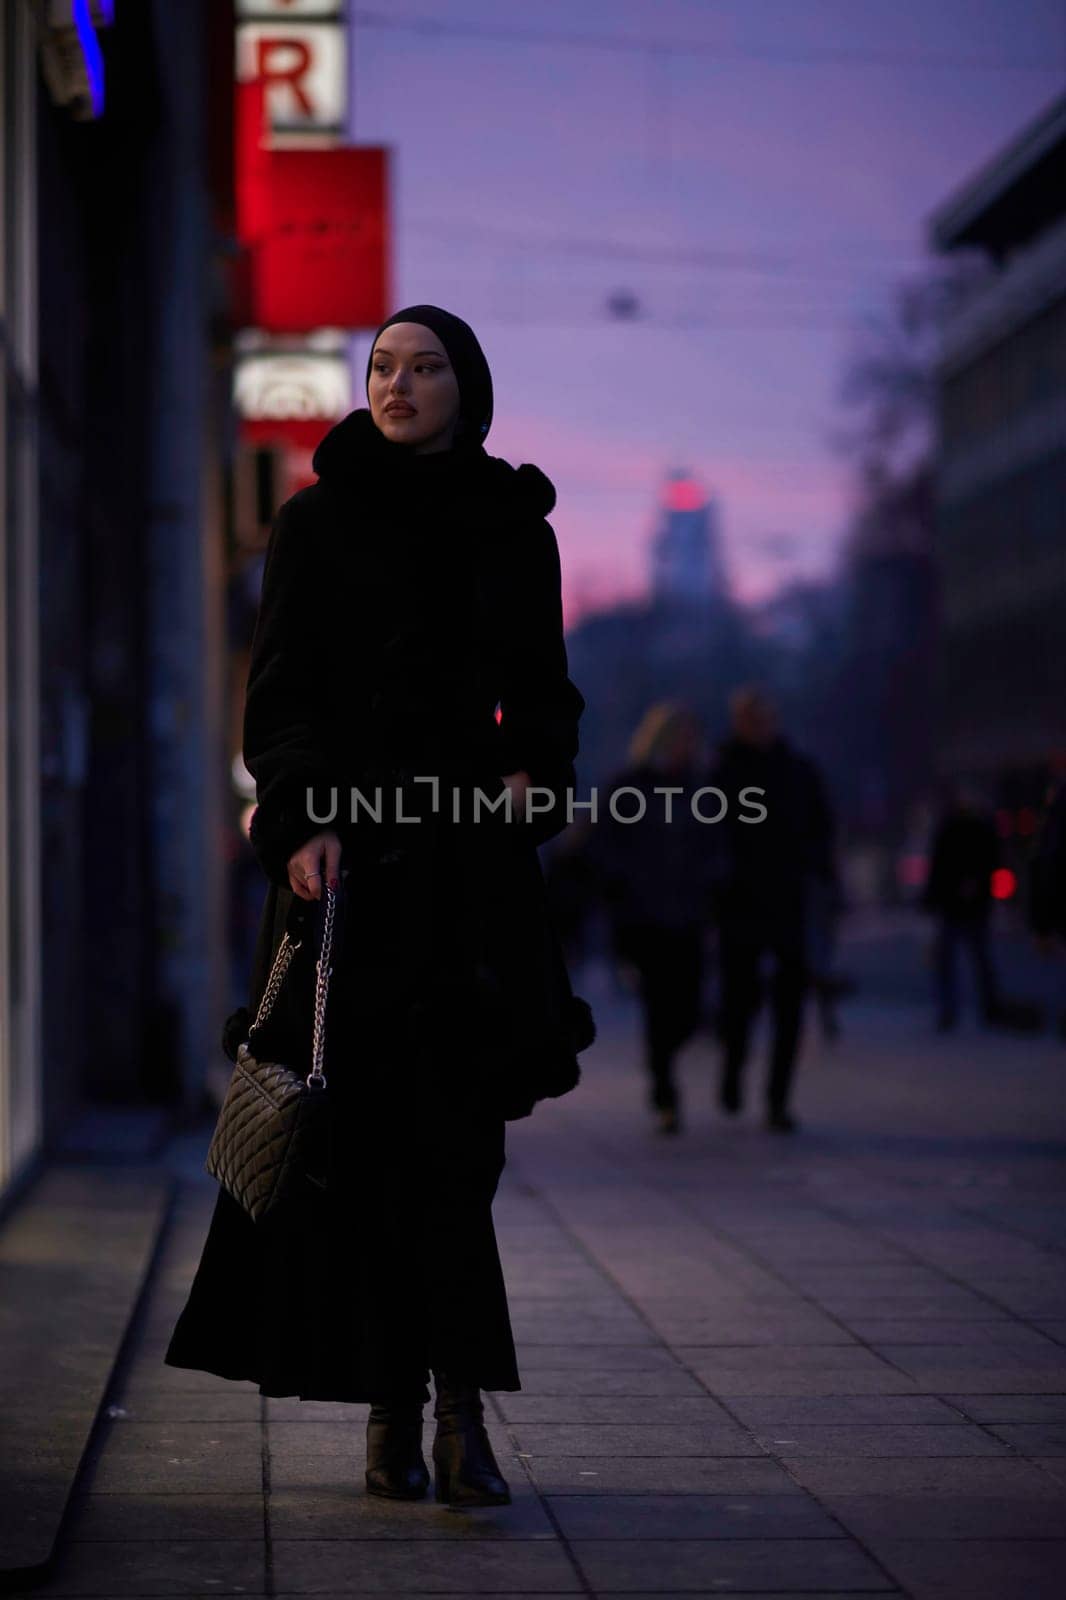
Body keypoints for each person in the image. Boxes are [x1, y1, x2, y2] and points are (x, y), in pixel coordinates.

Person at [165, 305, 589, 1508]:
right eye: (383, 368)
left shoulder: (515, 526)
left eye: (426, 367)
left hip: (471, 877)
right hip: (349, 883)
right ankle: (395, 1415)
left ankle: (457, 1417)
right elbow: (282, 689)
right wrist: (298, 820)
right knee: (364, 1156)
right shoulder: (317, 519)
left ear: (470, 386)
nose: (398, 385)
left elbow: (547, 692)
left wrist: (533, 771)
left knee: (457, 1153)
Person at [709, 686, 835, 1133]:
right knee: (739, 1000)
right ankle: (733, 1069)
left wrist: (819, 874)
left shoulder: (798, 771)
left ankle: (777, 1100)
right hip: (739, 902)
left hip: (787, 899)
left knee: (788, 1004)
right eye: (750, 719)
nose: (759, 727)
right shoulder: (721, 770)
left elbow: (821, 829)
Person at [589, 703, 715, 1134]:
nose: (686, 747)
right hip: (644, 916)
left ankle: (663, 1067)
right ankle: (664, 1089)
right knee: (661, 1004)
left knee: (687, 1006)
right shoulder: (629, 787)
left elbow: (715, 843)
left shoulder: (701, 788)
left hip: (688, 913)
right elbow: (603, 844)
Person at [921, 784, 1001, 1031]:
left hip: (960, 903)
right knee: (971, 957)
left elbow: (939, 866)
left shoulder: (958, 828)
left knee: (966, 957)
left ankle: (964, 1009)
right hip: (960, 903)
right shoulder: (970, 827)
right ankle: (979, 1007)